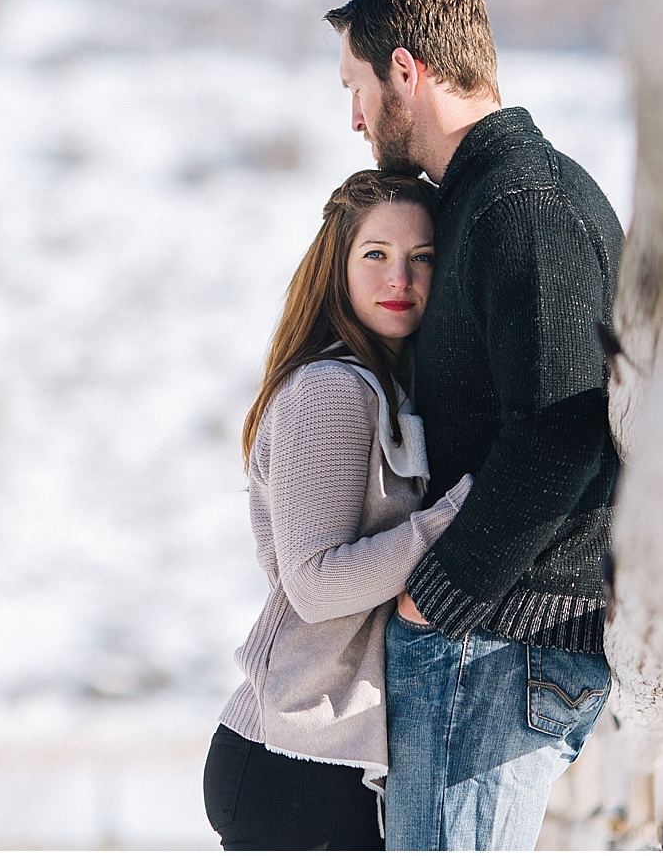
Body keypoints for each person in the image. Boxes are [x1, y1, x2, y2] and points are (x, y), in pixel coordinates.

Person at [325, 0, 625, 850]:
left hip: (497, 642)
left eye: (357, 86)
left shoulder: (523, 204)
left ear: (407, 72)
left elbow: (568, 423)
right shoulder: (487, 201)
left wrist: (439, 597)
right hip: (495, 638)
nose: (353, 116)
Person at [202, 170, 474, 851]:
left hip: (329, 758)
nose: (400, 278)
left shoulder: (388, 386)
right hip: (292, 762)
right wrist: (456, 515)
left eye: (422, 258)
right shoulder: (331, 389)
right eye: (376, 254)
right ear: (338, 266)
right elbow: (316, 582)